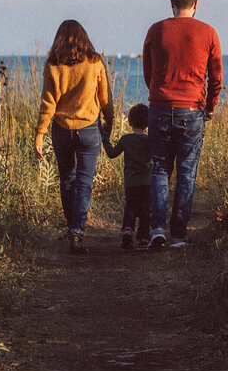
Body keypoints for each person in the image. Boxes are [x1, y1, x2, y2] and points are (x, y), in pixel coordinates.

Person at [142, 0, 222, 250]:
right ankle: (178, 235)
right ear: (196, 5)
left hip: (160, 105)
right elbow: (216, 76)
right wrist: (210, 105)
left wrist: (157, 95)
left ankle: (156, 229)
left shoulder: (156, 30)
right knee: (186, 173)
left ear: (171, 2)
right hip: (192, 109)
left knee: (161, 169)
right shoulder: (208, 32)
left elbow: (148, 71)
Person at [35, 19, 114, 255]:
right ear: (84, 38)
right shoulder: (94, 61)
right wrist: (109, 121)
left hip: (60, 129)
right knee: (84, 182)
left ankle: (72, 228)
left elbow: (47, 103)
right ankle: (77, 232)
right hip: (89, 129)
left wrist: (39, 134)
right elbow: (105, 98)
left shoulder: (53, 65)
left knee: (67, 180)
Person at [103, 103, 153, 250]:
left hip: (130, 182)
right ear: (148, 122)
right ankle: (144, 238)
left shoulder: (125, 139)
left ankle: (127, 231)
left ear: (130, 122)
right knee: (145, 210)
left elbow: (112, 154)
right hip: (147, 182)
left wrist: (105, 138)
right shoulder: (151, 140)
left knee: (130, 207)